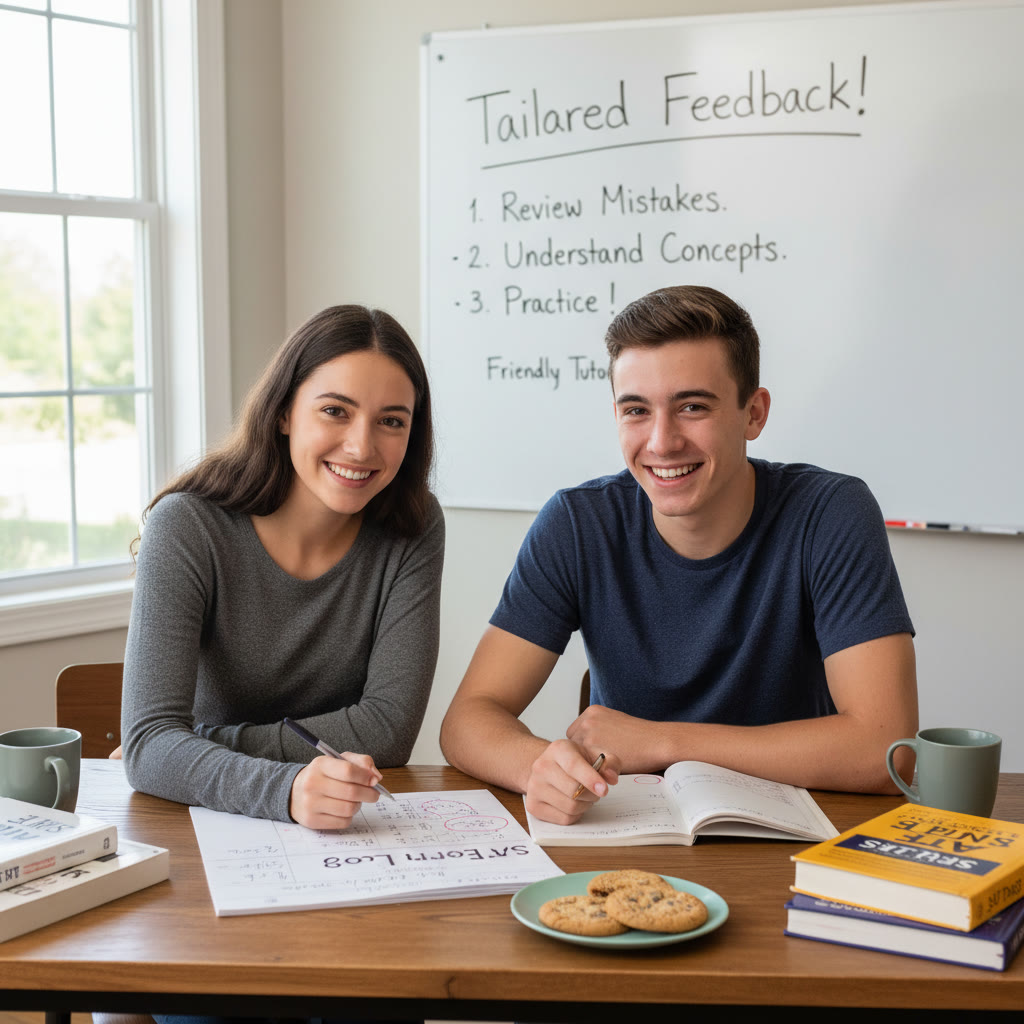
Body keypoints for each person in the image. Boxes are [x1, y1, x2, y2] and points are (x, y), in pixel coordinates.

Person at [440, 284, 918, 826]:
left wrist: (663, 741)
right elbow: (467, 721)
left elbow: (888, 749)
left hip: (791, 836)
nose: (662, 442)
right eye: (637, 410)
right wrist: (536, 768)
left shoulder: (830, 513)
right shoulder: (578, 524)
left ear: (754, 413)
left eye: (692, 406)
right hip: (628, 828)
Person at [121, 304, 444, 830]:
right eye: (335, 410)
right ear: (284, 412)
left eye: (391, 421)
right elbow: (149, 745)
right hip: (203, 820)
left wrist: (201, 741)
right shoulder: (186, 526)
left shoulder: (414, 524)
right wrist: (286, 789)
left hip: (343, 823)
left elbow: (390, 729)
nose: (362, 446)